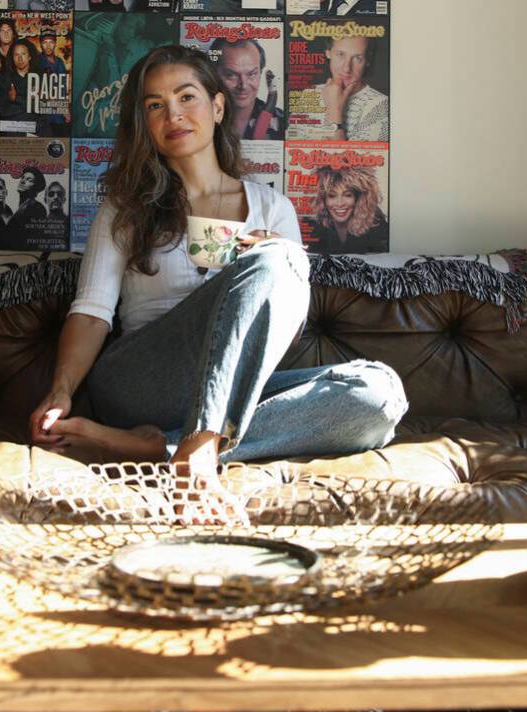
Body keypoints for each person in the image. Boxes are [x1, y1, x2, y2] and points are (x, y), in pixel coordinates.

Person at [28, 45, 407, 521]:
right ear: (144, 122)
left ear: (218, 106)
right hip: (143, 377)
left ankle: (162, 446)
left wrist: (267, 265)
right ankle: (200, 449)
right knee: (278, 259)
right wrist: (61, 389)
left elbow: (282, 335)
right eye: (155, 105)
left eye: (187, 97)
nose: (174, 114)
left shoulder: (273, 208)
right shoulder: (124, 210)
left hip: (229, 390)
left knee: (378, 394)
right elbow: (91, 312)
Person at [209, 38, 285, 141]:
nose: (243, 86)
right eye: (231, 75)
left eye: (252, 74)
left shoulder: (282, 120)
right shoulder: (199, 117)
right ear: (213, 74)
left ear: (260, 73)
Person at [318, 35, 389, 141]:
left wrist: (334, 111)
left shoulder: (381, 106)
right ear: (328, 53)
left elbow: (345, 157)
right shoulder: (309, 93)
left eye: (357, 58)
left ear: (367, 60)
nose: (347, 68)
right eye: (340, 54)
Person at [308, 166, 387, 253]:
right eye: (332, 196)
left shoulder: (375, 223)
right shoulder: (312, 226)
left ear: (357, 198)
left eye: (348, 195)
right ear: (323, 199)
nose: (340, 203)